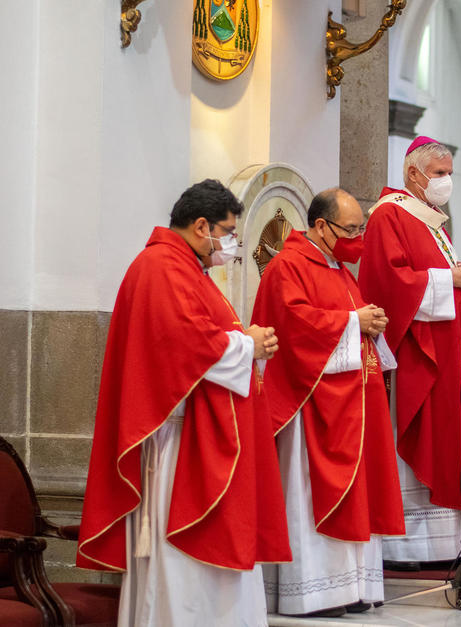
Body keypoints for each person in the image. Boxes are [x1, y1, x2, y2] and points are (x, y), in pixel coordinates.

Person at [77, 179, 291, 626]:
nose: (230, 244)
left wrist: (246, 344)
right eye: (228, 232)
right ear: (200, 226)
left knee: (203, 567)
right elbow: (186, 342)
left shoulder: (182, 266)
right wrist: (248, 344)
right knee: (183, 568)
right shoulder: (162, 266)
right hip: (177, 443)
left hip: (195, 430)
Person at [251, 188, 405, 617]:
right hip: (314, 406)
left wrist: (369, 322)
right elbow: (294, 323)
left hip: (355, 402)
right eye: (351, 229)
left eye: (361, 229)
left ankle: (354, 587)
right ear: (320, 226)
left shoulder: (338, 268)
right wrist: (353, 321)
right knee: (310, 491)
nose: (357, 238)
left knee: (361, 492)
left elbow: (348, 320)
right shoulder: (289, 266)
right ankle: (314, 592)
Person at [358, 136, 461, 564]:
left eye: (449, 174)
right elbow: (388, 280)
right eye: (439, 174)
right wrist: (447, 281)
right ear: (412, 174)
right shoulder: (390, 215)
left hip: (451, 350)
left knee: (454, 436)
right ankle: (413, 545)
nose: (446, 182)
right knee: (428, 435)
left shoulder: (430, 220)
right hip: (421, 355)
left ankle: (448, 543)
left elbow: (435, 273)